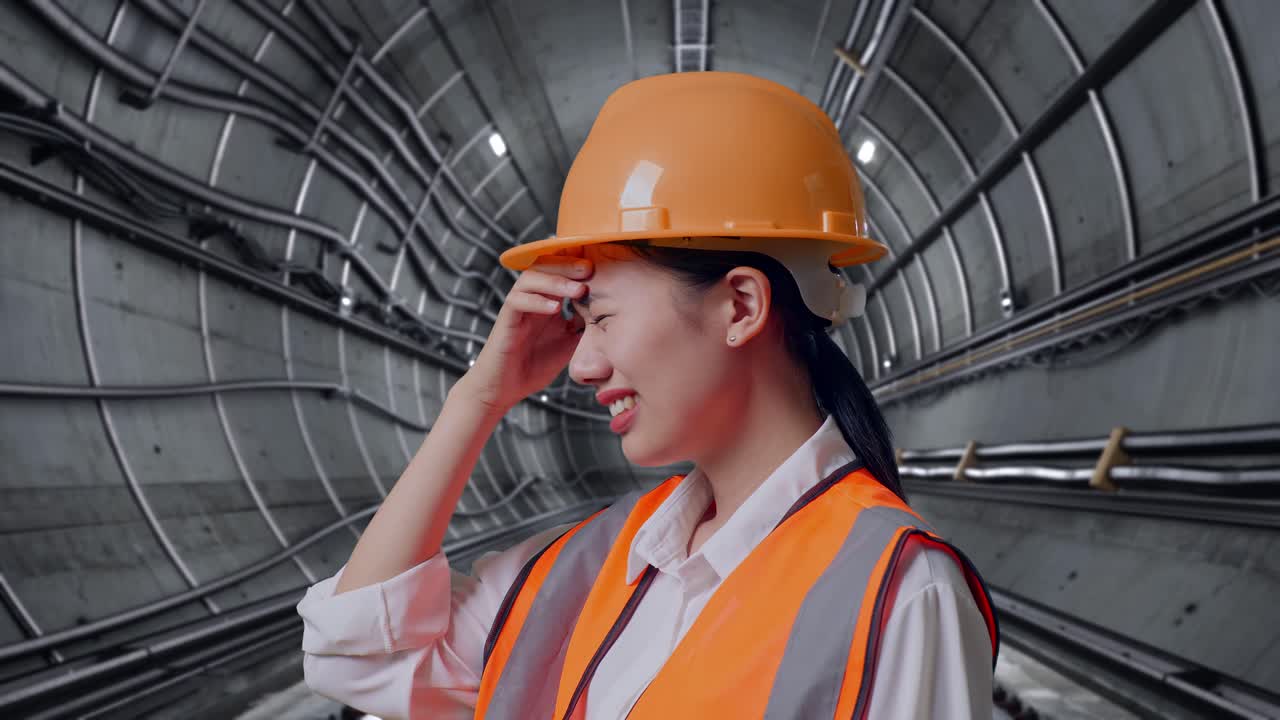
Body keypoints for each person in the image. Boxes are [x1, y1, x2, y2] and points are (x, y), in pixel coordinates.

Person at [297, 71, 999, 719]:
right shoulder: (600, 559)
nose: (580, 366)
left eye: (601, 318)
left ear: (741, 306)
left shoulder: (900, 590)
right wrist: (478, 397)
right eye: (579, 324)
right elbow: (358, 654)